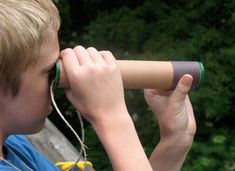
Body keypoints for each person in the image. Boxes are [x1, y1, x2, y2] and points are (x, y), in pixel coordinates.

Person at [0, 0, 196, 171]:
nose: (60, 80)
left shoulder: (13, 148)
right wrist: (111, 117)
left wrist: (174, 142)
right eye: (50, 71)